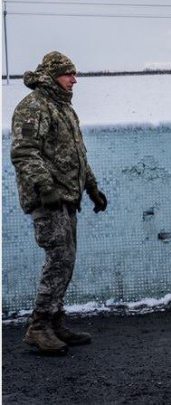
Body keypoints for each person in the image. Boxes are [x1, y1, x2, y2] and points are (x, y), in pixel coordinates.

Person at [11, 51, 108, 355]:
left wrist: (92, 188)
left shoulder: (64, 108)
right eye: (68, 74)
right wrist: (45, 187)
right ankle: (38, 327)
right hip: (48, 199)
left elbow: (78, 155)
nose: (74, 79)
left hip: (68, 197)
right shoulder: (33, 107)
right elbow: (24, 152)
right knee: (59, 259)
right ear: (53, 75)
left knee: (66, 261)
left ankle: (55, 321)